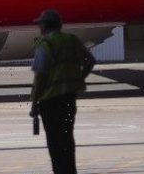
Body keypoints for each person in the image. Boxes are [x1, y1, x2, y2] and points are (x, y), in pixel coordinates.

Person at [29, 9, 95, 174]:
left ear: (45, 26)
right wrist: (79, 79)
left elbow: (40, 78)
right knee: (67, 139)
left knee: (55, 144)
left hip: (50, 102)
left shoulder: (45, 45)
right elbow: (90, 61)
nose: (39, 28)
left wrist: (34, 103)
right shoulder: (71, 40)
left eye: (40, 24)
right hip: (68, 99)